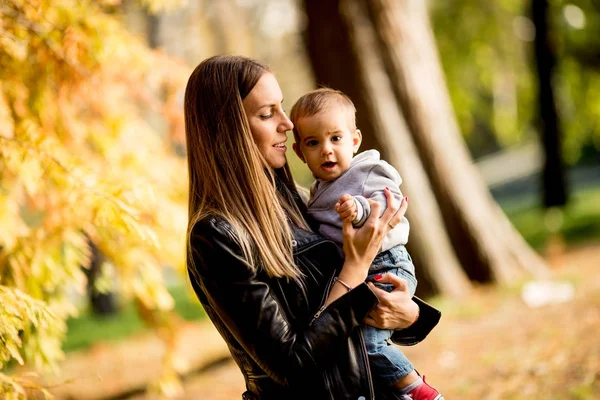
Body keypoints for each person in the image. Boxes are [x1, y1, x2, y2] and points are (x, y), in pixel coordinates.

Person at [184, 55, 441, 400]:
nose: (287, 124)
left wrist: (410, 314)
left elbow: (356, 316)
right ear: (229, 130)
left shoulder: (301, 202)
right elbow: (291, 365)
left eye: (282, 107)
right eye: (266, 114)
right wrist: (355, 266)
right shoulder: (217, 236)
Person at [290, 88, 443, 400]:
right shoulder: (318, 190)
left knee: (369, 345)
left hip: (386, 265)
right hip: (360, 271)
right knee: (358, 344)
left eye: (336, 138)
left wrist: (359, 210)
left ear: (355, 140)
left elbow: (389, 201)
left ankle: (417, 391)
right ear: (299, 152)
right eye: (313, 143)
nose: (326, 150)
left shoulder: (366, 172)